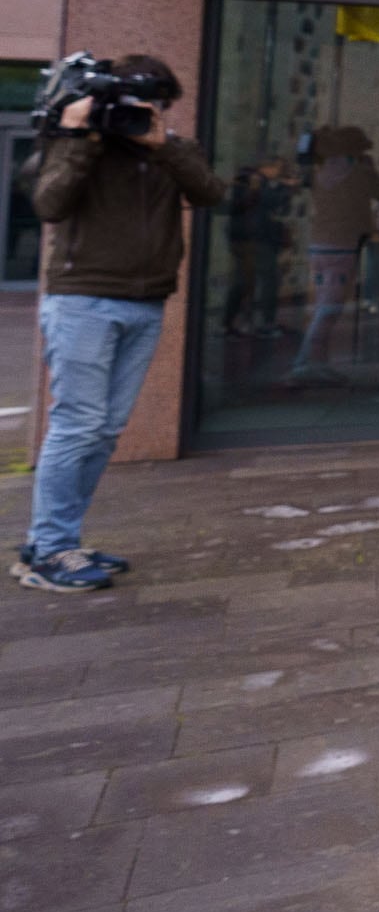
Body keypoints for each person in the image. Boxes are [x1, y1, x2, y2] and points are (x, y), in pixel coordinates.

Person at [17, 55, 221, 593]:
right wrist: (78, 136)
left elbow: (210, 193)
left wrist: (165, 146)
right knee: (78, 424)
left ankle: (57, 539)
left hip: (146, 301)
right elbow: (49, 203)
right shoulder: (78, 143)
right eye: (137, 102)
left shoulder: (168, 150)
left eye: (157, 103)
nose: (146, 112)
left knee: (104, 430)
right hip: (83, 300)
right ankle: (52, 550)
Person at [290, 124, 379, 384]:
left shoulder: (320, 172)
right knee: (329, 308)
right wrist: (370, 168)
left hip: (319, 244)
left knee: (325, 305)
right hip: (343, 246)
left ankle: (317, 362)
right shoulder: (359, 172)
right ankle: (303, 363)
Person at [222, 154, 292, 337]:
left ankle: (230, 322)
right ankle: (266, 322)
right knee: (267, 278)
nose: (279, 172)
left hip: (244, 236)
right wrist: (285, 188)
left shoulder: (245, 179)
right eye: (278, 168)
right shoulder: (256, 181)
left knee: (244, 281)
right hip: (255, 237)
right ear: (267, 167)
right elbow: (270, 202)